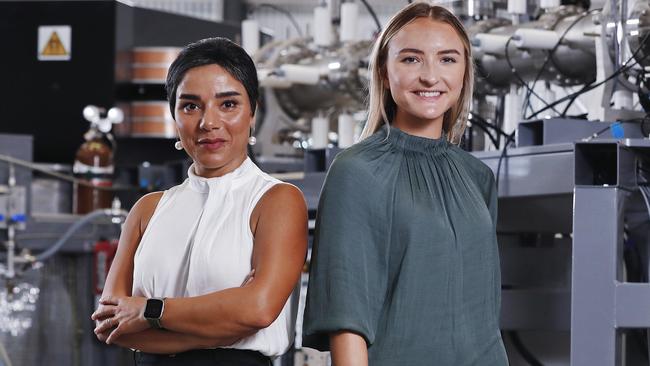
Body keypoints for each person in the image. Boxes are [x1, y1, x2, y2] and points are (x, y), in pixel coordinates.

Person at [302, 3, 508, 365]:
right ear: (384, 71)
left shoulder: (478, 178)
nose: (431, 77)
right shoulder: (356, 172)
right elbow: (347, 317)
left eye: (447, 60)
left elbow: (484, 313)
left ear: (464, 71)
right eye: (411, 60)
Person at [91, 37, 308, 365]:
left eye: (228, 104)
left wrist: (150, 310)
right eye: (190, 105)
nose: (209, 122)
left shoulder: (276, 200)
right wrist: (229, 325)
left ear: (253, 112)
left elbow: (260, 309)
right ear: (174, 116)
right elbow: (111, 324)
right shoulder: (148, 209)